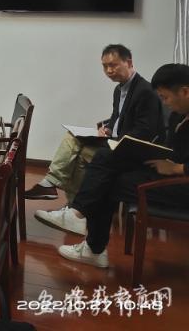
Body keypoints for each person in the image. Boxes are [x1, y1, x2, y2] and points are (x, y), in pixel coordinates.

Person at [56, 63, 189, 268]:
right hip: (171, 172)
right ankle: (80, 221)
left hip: (182, 184)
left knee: (108, 183)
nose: (164, 103)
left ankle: (90, 241)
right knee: (106, 158)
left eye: (165, 98)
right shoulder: (178, 115)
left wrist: (177, 168)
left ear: (185, 92)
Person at [27, 44, 162, 234]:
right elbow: (117, 117)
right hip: (115, 141)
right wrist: (107, 127)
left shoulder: (144, 91)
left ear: (129, 62)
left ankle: (60, 193)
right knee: (75, 142)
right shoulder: (119, 90)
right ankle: (72, 207)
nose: (109, 70)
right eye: (105, 66)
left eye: (113, 65)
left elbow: (145, 131)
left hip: (130, 150)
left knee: (78, 148)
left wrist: (115, 139)